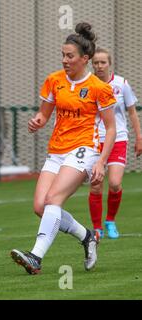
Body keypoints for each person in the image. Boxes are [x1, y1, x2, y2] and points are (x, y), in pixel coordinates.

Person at [10, 22, 117, 275]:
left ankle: (35, 257)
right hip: (56, 150)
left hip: (84, 149)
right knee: (40, 207)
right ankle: (87, 236)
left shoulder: (99, 88)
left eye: (70, 56)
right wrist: (37, 121)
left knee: (53, 200)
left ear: (85, 59)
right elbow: (44, 115)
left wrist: (101, 161)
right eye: (63, 55)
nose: (65, 60)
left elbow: (110, 128)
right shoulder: (53, 81)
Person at [88, 48, 142, 239]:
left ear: (109, 63)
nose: (99, 66)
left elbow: (132, 112)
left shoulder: (121, 84)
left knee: (115, 183)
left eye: (103, 62)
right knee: (96, 185)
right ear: (91, 64)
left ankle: (110, 220)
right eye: (96, 63)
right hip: (95, 140)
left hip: (118, 138)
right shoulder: (87, 84)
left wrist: (139, 137)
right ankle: (97, 228)